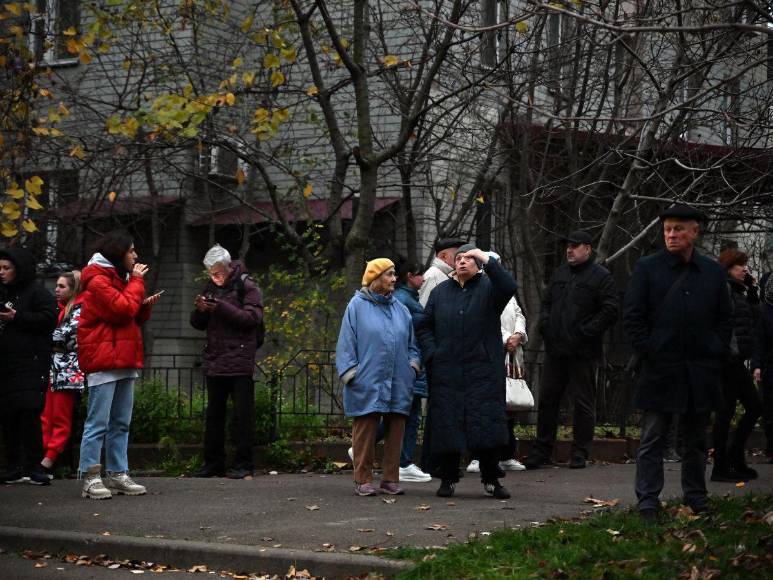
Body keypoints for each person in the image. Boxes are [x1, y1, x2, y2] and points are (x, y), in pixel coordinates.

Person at [623, 204, 733, 521]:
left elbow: (725, 320)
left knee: (696, 440)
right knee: (652, 438)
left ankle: (696, 498)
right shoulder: (648, 268)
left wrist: (714, 349)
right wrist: (649, 349)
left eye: (679, 229)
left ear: (694, 232)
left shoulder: (711, 272)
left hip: (700, 370)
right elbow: (632, 317)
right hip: (660, 368)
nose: (671, 234)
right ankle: (647, 501)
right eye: (668, 229)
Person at [417, 245, 518, 499]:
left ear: (478, 264)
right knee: (448, 425)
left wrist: (486, 258)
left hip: (482, 371)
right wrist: (433, 353)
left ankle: (491, 478)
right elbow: (424, 326)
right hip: (447, 371)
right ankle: (448, 478)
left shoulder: (489, 288)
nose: (462, 262)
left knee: (485, 425)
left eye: (469, 258)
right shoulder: (440, 292)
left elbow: (509, 286)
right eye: (458, 258)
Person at [524, 231, 619, 470]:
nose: (569, 250)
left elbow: (610, 310)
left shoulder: (601, 277)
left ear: (588, 249)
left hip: (583, 352)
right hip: (556, 350)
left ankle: (580, 452)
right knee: (547, 401)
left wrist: (586, 332)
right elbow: (547, 303)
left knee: (582, 403)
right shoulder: (560, 274)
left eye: (575, 246)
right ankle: (542, 450)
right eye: (568, 246)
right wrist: (546, 326)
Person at [77, 231, 161, 499]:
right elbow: (121, 309)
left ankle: (117, 473)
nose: (135, 256)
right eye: (131, 251)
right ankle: (90, 477)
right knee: (98, 422)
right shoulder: (97, 279)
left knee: (121, 422)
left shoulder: (119, 278)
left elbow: (128, 315)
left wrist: (143, 306)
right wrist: (136, 282)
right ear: (117, 253)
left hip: (123, 357)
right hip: (104, 359)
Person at [336, 259, 421, 496]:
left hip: (399, 379)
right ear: (374, 278)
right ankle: (362, 479)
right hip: (366, 378)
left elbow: (413, 345)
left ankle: (390, 479)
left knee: (396, 430)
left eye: (394, 275)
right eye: (389, 274)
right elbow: (345, 344)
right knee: (365, 429)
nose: (394, 279)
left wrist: (412, 367)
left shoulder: (402, 310)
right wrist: (352, 373)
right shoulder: (356, 306)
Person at [190, 244, 264, 479]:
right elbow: (198, 324)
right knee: (214, 415)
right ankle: (213, 462)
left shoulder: (247, 286)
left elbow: (251, 319)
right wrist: (201, 310)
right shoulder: (210, 287)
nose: (215, 277)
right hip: (216, 359)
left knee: (242, 416)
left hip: (240, 360)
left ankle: (244, 463)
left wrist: (220, 307)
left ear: (228, 267)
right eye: (211, 273)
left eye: (218, 273)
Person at [0, 247, 58, 485]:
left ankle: (34, 465)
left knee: (29, 412)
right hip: (6, 363)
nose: (2, 273)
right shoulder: (3, 291)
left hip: (31, 362)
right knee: (9, 414)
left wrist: (18, 317)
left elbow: (48, 319)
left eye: (6, 268)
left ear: (19, 269)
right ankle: (13, 465)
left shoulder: (37, 293)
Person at [468, 253, 528, 474]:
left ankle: (506, 454)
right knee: (485, 407)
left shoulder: (506, 291)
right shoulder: (480, 288)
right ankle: (477, 456)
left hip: (511, 356)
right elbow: (482, 318)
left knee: (508, 409)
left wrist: (519, 334)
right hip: (492, 354)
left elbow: (519, 314)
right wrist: (505, 338)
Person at [711, 250, 762, 482]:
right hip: (726, 361)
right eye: (739, 265)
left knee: (752, 406)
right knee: (726, 413)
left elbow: (753, 321)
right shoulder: (723, 290)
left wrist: (752, 291)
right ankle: (722, 465)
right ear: (728, 268)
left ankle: (733, 457)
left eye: (745, 265)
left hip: (735, 360)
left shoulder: (738, 292)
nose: (744, 269)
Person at [40, 271, 86, 478]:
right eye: (56, 285)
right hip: (54, 369)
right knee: (46, 416)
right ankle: (42, 458)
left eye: (62, 286)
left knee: (60, 417)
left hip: (69, 371)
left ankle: (49, 459)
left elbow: (65, 337)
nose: (56, 290)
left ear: (74, 288)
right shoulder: (59, 310)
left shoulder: (79, 311)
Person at [752, 272, 773, 463]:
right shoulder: (766, 312)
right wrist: (757, 365)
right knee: (769, 408)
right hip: (770, 365)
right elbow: (760, 340)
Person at [418, 238, 467, 307]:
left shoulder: (448, 275)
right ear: (444, 256)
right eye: (458, 256)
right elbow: (424, 308)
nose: (462, 260)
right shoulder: (432, 276)